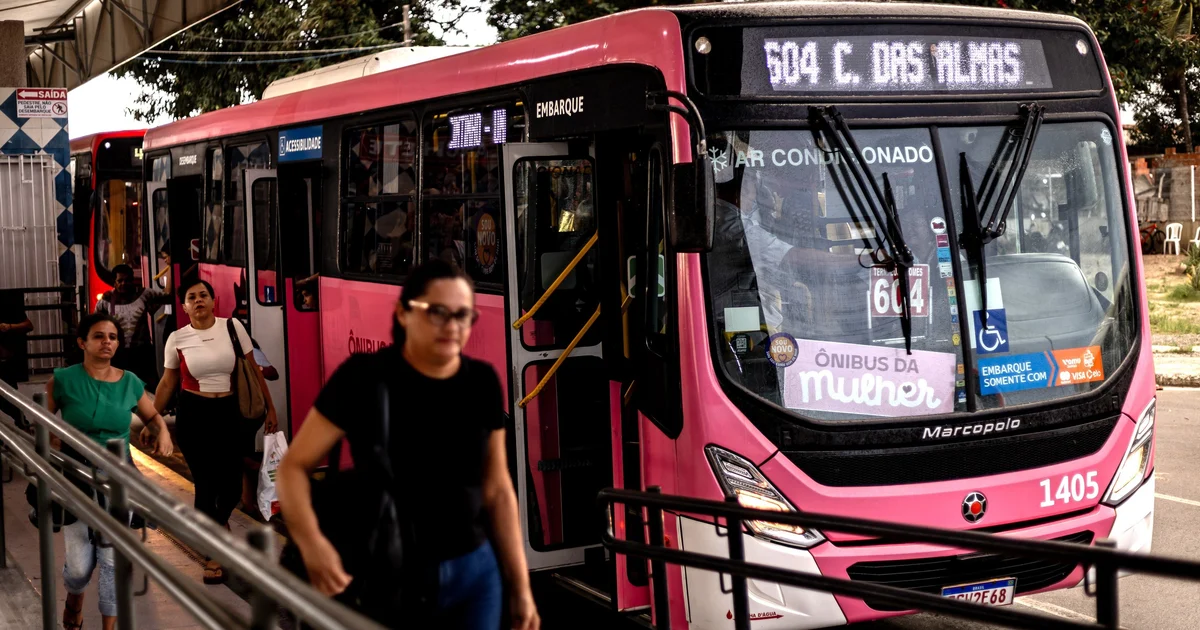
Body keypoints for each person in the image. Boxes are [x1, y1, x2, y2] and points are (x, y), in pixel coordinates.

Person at [276, 260, 539, 630]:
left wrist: (521, 587)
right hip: (393, 573)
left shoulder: (482, 382)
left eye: (463, 315)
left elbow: (497, 490)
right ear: (402, 313)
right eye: (436, 312)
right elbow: (293, 467)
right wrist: (313, 544)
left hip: (475, 573)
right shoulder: (364, 378)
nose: (452, 326)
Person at [47, 313, 173, 630]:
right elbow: (41, 422)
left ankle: (109, 626)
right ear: (82, 342)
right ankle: (74, 597)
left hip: (117, 473)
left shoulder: (130, 382)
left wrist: (163, 431)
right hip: (75, 471)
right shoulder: (62, 380)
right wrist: (51, 440)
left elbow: (152, 416)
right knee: (78, 567)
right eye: (99, 336)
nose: (107, 342)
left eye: (113, 337)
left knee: (111, 558)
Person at [154, 279, 278, 584]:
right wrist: (152, 419)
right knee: (206, 486)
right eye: (191, 297)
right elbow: (169, 383)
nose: (198, 301)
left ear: (213, 301)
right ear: (183, 307)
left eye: (203, 295)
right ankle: (212, 555)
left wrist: (270, 409)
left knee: (232, 487)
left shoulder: (233, 327)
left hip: (230, 414)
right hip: (194, 416)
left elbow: (253, 370)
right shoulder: (177, 338)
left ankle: (217, 525)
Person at [95, 263, 172, 388]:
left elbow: (167, 297)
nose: (123, 283)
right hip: (117, 353)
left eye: (127, 280)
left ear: (132, 280)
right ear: (114, 282)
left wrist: (171, 268)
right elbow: (96, 323)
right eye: (120, 280)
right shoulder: (106, 300)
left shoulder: (145, 294)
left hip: (142, 353)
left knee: (147, 388)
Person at [0, 288, 33, 426]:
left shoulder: (6, 303)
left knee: (10, 396)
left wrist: (9, 326)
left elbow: (28, 325)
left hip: (4, 361)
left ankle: (21, 422)